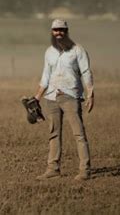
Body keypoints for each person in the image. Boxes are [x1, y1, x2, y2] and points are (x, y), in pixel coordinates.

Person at [34, 18, 94, 181]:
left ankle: (85, 170)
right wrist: (37, 97)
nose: (58, 33)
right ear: (52, 32)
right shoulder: (49, 52)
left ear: (66, 31)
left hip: (70, 95)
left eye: (61, 30)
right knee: (53, 133)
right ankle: (53, 169)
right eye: (55, 30)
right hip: (51, 96)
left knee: (79, 133)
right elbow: (46, 75)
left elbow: (86, 72)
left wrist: (90, 94)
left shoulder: (77, 50)